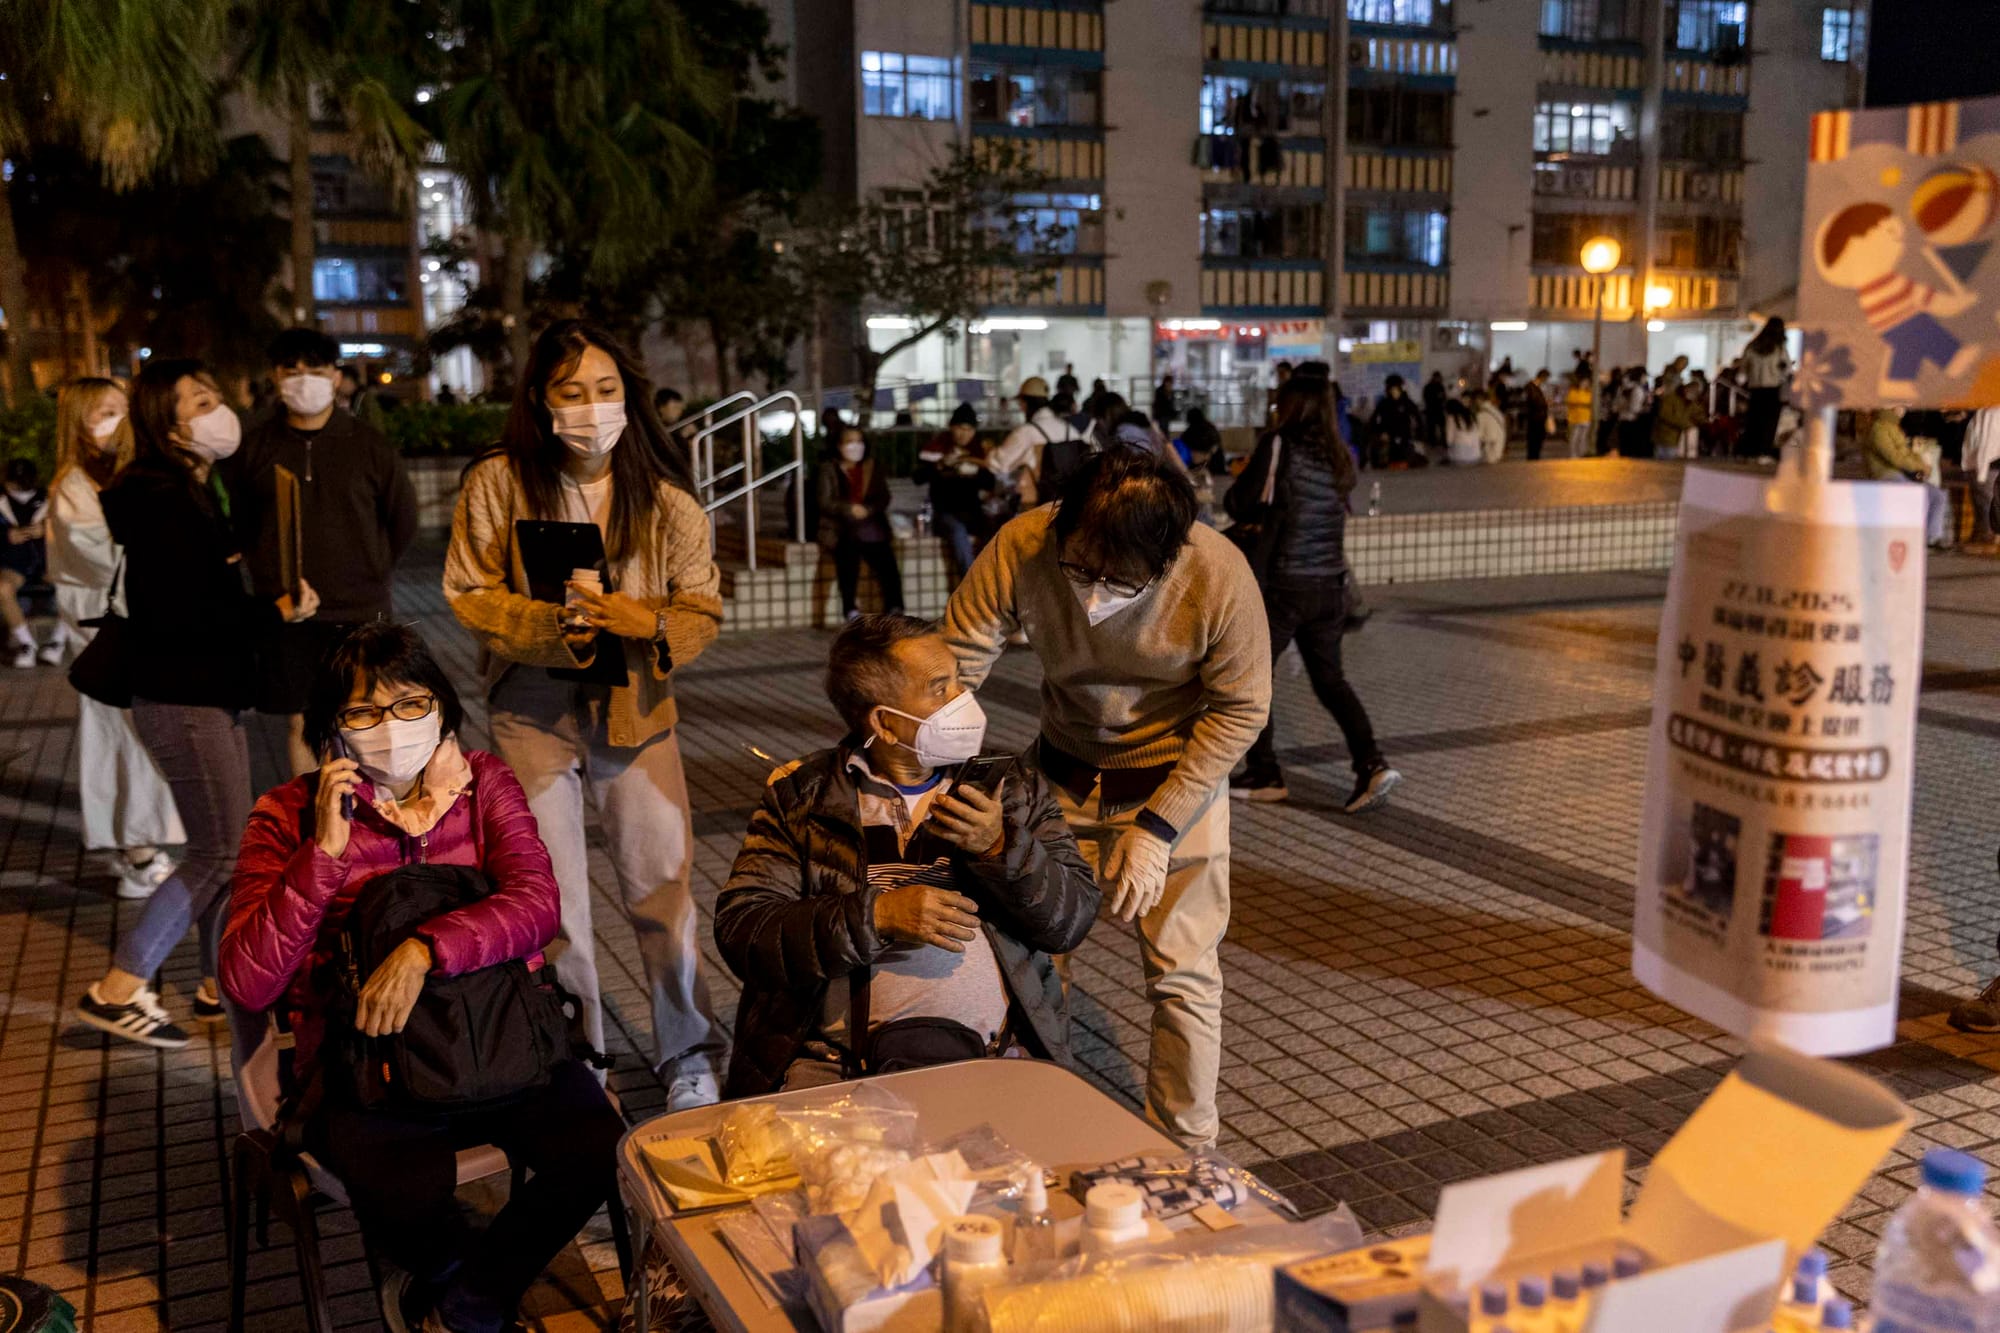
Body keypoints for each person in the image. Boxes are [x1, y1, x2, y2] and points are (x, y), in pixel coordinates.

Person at [221, 623, 623, 1333]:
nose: (391, 726)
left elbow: (536, 904)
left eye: (410, 704)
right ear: (329, 727)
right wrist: (323, 854)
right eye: (363, 711)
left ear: (441, 707)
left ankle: (467, 1302)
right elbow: (247, 983)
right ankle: (447, 1274)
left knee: (596, 1147)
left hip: (498, 1033)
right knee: (403, 1190)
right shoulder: (285, 813)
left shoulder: (483, 782)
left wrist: (423, 951)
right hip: (366, 1060)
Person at [943, 448, 1270, 1148]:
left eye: (1119, 580)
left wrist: (1158, 828)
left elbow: (1242, 708)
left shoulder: (1217, 572)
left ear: (1167, 555)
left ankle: (1186, 1149)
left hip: (1173, 785)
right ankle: (1036, 1127)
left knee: (1183, 976)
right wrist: (926, 748)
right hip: (1058, 776)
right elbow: (959, 658)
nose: (1094, 595)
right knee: (1033, 965)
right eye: (1080, 569)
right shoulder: (1025, 543)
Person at [443, 319, 728, 1105]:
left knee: (662, 886)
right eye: (572, 391)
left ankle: (690, 1052)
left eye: (606, 390)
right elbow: (467, 589)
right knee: (552, 897)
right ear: (541, 399)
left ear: (630, 397)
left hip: (636, 712)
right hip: (530, 712)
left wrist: (649, 621)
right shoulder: (498, 481)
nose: (591, 408)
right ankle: (579, 1057)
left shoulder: (665, 497)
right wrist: (545, 625)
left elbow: (702, 607)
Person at [714, 614, 1099, 1095]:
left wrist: (1000, 847)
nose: (962, 698)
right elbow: (745, 931)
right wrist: (877, 917)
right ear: (884, 723)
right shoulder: (805, 798)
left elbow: (1071, 919)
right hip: (838, 1069)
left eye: (958, 680)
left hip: (997, 1057)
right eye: (940, 689)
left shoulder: (1012, 787)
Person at [72, 357, 321, 1050]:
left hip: (202, 691)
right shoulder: (162, 500)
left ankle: (219, 985)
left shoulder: (188, 487)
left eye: (216, 395)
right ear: (169, 423)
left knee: (227, 848)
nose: (220, 410)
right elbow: (188, 615)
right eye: (201, 401)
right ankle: (119, 987)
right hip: (184, 696)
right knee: (217, 851)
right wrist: (275, 610)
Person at [230, 326, 419, 775]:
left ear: (336, 376)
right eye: (291, 369)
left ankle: (371, 810)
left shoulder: (368, 444)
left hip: (360, 609)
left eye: (315, 368)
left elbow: (403, 518)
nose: (303, 378)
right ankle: (318, 811)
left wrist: (372, 568)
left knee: (366, 718)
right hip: (288, 611)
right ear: (275, 377)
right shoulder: (255, 446)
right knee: (303, 723)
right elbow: (241, 521)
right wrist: (268, 578)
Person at [1225, 368, 1399, 812]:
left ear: (1290, 405)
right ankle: (1372, 763)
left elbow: (1238, 503)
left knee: (1251, 678)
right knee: (1331, 681)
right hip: (1331, 587)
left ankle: (1265, 773)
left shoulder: (1278, 444)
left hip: (1285, 587)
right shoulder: (1339, 455)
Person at [48, 377, 185, 899]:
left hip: (131, 628)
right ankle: (137, 852)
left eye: (122, 408)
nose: (118, 420)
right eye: (104, 411)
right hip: (105, 634)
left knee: (137, 735)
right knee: (123, 738)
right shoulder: (74, 486)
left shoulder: (121, 474)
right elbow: (104, 556)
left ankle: (140, 844)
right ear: (79, 422)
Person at [816, 424, 905, 620]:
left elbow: (883, 497)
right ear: (839, 446)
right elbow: (825, 501)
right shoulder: (829, 469)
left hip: (871, 524)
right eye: (850, 442)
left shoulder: (871, 467)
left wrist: (867, 510)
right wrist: (849, 509)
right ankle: (850, 609)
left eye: (859, 441)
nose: (855, 446)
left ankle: (895, 606)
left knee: (886, 559)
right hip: (840, 527)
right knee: (848, 554)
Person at [913, 403, 997, 580]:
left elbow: (990, 483)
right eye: (960, 428)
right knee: (958, 533)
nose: (964, 434)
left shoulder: (978, 452)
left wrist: (973, 470)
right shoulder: (938, 448)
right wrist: (941, 465)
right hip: (945, 513)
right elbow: (918, 477)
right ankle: (971, 583)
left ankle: (992, 580)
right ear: (952, 427)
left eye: (969, 429)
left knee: (994, 531)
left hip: (972, 512)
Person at [991, 376, 1084, 509]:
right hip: (1070, 505)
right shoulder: (1070, 429)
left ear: (1025, 403)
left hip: (1037, 506)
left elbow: (999, 465)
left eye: (1021, 403)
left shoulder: (1026, 432)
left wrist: (990, 453)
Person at [1866, 407, 1952, 549]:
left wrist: (1921, 465)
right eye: (1901, 404)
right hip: (1887, 475)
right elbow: (1895, 457)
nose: (1905, 407)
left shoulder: (1894, 427)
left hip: (1903, 475)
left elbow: (1907, 454)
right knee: (1920, 495)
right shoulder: (1879, 428)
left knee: (1937, 495)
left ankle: (1931, 536)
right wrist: (1919, 466)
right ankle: (1915, 537)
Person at [0, 458, 55, 668]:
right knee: (3, 588)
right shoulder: (1, 499)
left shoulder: (49, 498)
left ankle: (57, 642)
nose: (19, 488)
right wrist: (6, 536)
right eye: (15, 483)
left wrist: (46, 530)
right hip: (15, 563)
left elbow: (68, 530)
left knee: (72, 585)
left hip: (47, 561)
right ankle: (26, 644)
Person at [1738, 318, 1792, 459]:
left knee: (1754, 421)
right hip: (1772, 389)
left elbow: (1742, 370)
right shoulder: (1779, 347)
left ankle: (1749, 451)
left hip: (1755, 389)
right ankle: (1764, 451)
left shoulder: (1752, 346)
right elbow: (1786, 369)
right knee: (1769, 422)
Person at [1174, 408, 1230, 524]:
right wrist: (1197, 496)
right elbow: (1174, 493)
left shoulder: (1180, 448)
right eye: (1207, 453)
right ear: (1199, 447)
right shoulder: (1180, 455)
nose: (1208, 458)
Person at [1963, 405, 2000, 552]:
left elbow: (1987, 442)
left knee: (1986, 502)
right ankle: (1983, 536)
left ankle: (1988, 538)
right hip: (1985, 464)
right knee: (1982, 502)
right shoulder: (1987, 409)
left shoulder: (1992, 410)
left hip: (1987, 464)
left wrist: (1981, 470)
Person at [1370, 374, 1423, 469]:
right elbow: (1373, 419)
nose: (1394, 392)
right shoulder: (1384, 403)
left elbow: (1417, 417)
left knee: (1407, 458)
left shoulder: (1407, 402)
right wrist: (1380, 432)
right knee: (1385, 460)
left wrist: (1419, 434)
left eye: (1396, 389)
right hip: (1388, 437)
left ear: (1400, 388)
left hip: (1404, 436)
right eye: (1391, 389)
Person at [1443, 398, 1483, 466]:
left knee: (1448, 452)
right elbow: (1479, 435)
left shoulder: (1451, 418)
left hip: (1459, 459)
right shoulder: (1471, 415)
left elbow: (1449, 440)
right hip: (1476, 456)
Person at [1565, 370, 1595, 458]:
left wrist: (1581, 404)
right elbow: (1570, 402)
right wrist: (1582, 404)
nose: (1586, 383)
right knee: (1574, 437)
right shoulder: (1574, 391)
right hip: (1575, 417)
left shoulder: (1588, 392)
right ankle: (1573, 454)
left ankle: (1582, 453)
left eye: (1587, 382)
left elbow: (1590, 403)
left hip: (1586, 417)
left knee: (1583, 437)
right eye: (1585, 381)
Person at [1474, 390, 1510, 464]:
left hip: (1490, 451)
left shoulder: (1481, 414)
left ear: (1478, 400)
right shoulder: (1497, 412)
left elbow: (1478, 435)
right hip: (1499, 447)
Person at [1524, 370, 1552, 461]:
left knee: (1537, 440)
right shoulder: (1532, 387)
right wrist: (1545, 403)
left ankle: (1534, 456)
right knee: (1535, 440)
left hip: (1538, 417)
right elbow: (1535, 401)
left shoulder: (1535, 387)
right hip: (1535, 418)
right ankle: (1533, 457)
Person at [1422, 371, 1448, 451]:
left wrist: (1441, 400)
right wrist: (1436, 398)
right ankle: (1432, 443)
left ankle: (1443, 442)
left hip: (1438, 410)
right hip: (1431, 411)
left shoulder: (1440, 386)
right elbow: (1426, 398)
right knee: (1431, 428)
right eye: (1437, 378)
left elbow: (1444, 397)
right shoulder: (1428, 387)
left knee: (1442, 428)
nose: (1438, 379)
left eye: (1439, 378)